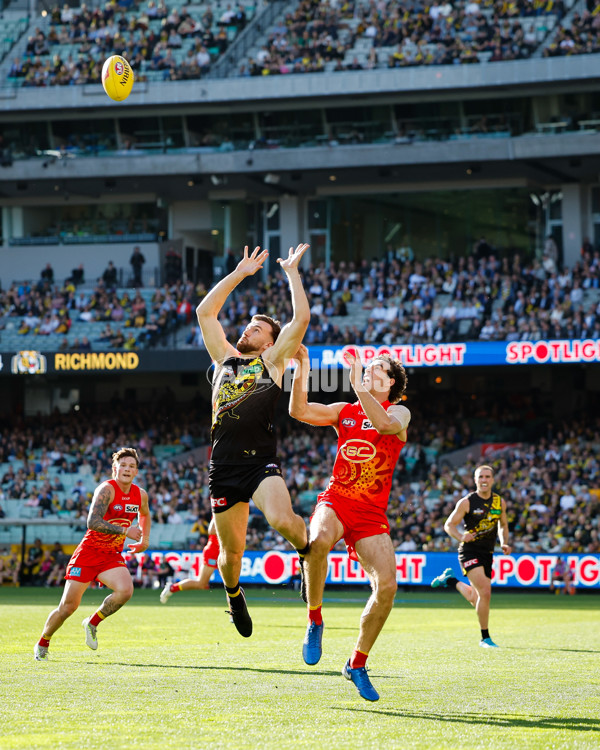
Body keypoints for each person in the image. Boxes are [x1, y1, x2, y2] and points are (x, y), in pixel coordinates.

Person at [196, 243, 311, 638]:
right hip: (223, 467)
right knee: (231, 555)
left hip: (259, 463)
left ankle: (306, 556)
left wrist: (292, 273)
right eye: (248, 324)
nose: (248, 329)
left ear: (269, 343)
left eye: (256, 329)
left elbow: (301, 319)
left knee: (281, 519)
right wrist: (240, 274)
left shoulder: (272, 362)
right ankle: (233, 595)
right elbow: (205, 312)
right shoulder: (223, 360)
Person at [289, 344, 410, 702]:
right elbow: (298, 410)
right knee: (318, 540)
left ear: (391, 382)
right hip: (338, 498)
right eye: (367, 367)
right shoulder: (345, 411)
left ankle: (356, 663)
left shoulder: (400, 411)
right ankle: (315, 618)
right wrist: (304, 365)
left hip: (372, 513)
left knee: (387, 587)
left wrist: (358, 384)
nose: (370, 370)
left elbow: (387, 425)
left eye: (377, 369)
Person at [33, 448, 151, 661]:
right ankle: (43, 641)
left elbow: (145, 515)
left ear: (136, 471)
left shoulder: (140, 494)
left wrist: (144, 540)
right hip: (88, 553)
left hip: (111, 555)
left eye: (131, 466)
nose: (127, 469)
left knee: (125, 591)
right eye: (123, 465)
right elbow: (92, 522)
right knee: (68, 607)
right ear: (115, 468)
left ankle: (93, 622)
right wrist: (126, 531)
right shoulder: (106, 489)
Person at [431, 464, 511, 648]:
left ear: (492, 479)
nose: (484, 480)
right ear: (475, 480)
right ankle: (485, 638)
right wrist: (461, 536)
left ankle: (450, 580)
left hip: (487, 553)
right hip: (469, 551)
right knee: (486, 592)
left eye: (487, 476)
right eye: (480, 477)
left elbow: (503, 525)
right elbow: (449, 525)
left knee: (477, 598)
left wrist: (504, 542)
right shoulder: (467, 502)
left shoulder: (500, 502)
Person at [160, 518, 220, 602]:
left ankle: (234, 612)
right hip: (214, 551)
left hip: (225, 551)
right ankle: (172, 588)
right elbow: (212, 530)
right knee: (201, 584)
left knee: (231, 585)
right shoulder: (222, 509)